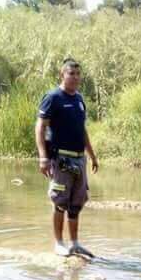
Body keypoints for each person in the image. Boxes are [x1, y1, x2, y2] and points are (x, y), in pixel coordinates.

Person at [35, 58, 99, 258]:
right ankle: (59, 243)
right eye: (71, 73)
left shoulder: (79, 99)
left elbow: (82, 130)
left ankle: (75, 244)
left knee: (76, 203)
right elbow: (40, 127)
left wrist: (92, 155)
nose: (75, 77)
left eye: (78, 74)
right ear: (62, 74)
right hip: (61, 159)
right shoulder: (53, 97)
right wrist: (43, 157)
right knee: (60, 202)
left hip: (79, 159)